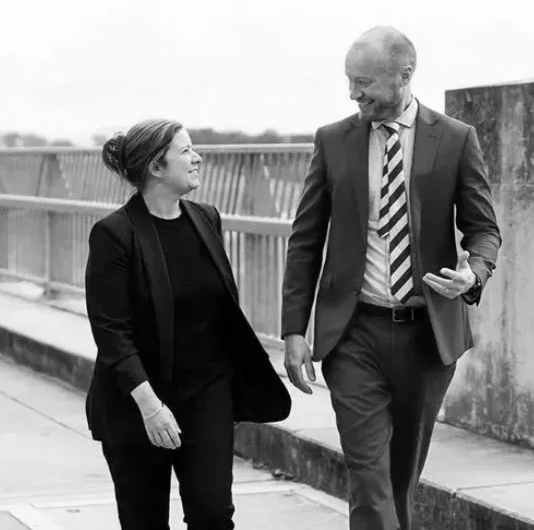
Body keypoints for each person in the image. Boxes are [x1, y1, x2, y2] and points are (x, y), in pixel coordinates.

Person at [281, 27, 502, 530]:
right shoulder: (333, 140)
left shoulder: (455, 138)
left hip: (427, 336)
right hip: (353, 332)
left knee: (401, 474)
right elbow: (305, 238)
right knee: (367, 473)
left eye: (365, 83)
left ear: (404, 76)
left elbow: (484, 229)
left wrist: (473, 271)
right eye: (350, 82)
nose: (354, 94)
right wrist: (294, 329)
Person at [84, 118, 291, 530]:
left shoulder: (206, 218)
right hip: (139, 401)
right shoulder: (114, 234)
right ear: (155, 168)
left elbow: (221, 311)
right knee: (144, 522)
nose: (197, 158)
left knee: (213, 515)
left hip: (206, 396)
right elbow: (112, 333)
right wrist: (151, 407)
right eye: (185, 151)